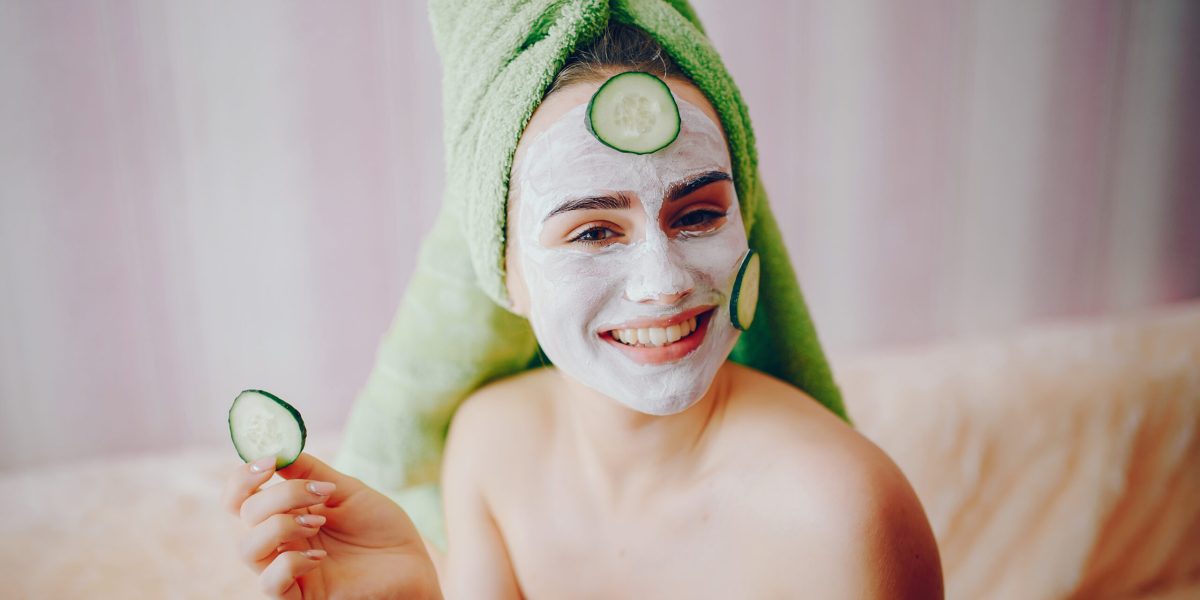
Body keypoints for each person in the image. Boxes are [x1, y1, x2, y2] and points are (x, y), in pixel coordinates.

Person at [221, 15, 943, 600]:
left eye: (697, 215)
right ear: (506, 272)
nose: (662, 285)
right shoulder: (491, 446)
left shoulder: (848, 514)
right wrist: (417, 593)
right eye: (594, 231)